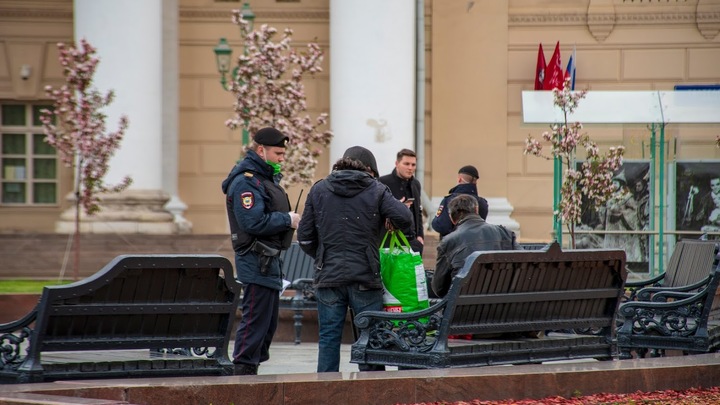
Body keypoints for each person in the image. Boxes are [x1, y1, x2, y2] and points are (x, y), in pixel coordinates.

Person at [296, 146, 413, 373]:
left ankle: (326, 391)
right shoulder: (376, 189)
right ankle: (372, 391)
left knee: (329, 337)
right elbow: (405, 217)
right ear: (368, 169)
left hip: (328, 275)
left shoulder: (319, 189)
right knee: (371, 338)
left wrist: (322, 256)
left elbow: (304, 236)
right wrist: (388, 221)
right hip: (365, 276)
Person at [220, 127, 301, 376]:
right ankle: (243, 372)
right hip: (256, 260)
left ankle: (250, 367)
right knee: (256, 321)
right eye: (277, 153)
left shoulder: (262, 179)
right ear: (260, 150)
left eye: (283, 153)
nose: (281, 158)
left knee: (266, 324)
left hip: (268, 261)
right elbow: (252, 223)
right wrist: (286, 220)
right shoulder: (246, 181)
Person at [431, 194, 521, 298]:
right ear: (476, 210)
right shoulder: (505, 233)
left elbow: (439, 289)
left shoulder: (448, 242)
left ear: (451, 217)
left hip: (463, 309)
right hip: (503, 305)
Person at [379, 148, 424, 254]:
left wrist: (420, 235)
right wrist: (397, 207)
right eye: (406, 164)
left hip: (413, 242)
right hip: (390, 242)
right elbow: (376, 212)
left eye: (413, 165)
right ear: (397, 163)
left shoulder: (416, 184)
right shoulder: (383, 182)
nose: (410, 168)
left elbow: (418, 211)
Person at [432, 165, 489, 238]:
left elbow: (441, 225)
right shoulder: (482, 203)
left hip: (452, 244)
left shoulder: (449, 199)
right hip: (476, 244)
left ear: (459, 179)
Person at [599, 171, 643, 264]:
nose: (614, 185)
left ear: (621, 184)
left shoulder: (627, 196)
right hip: (611, 227)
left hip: (622, 227)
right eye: (613, 183)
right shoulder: (610, 196)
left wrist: (622, 213)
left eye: (615, 183)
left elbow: (634, 210)